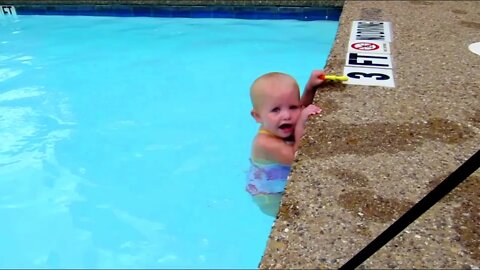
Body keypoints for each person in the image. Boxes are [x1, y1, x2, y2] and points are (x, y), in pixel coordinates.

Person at [246, 70, 326, 217]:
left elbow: (302, 107)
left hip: (276, 176)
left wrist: (310, 88)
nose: (287, 115)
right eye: (276, 110)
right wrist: (302, 120)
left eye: (292, 107)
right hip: (270, 196)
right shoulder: (265, 143)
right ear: (257, 116)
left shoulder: (276, 124)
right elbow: (298, 158)